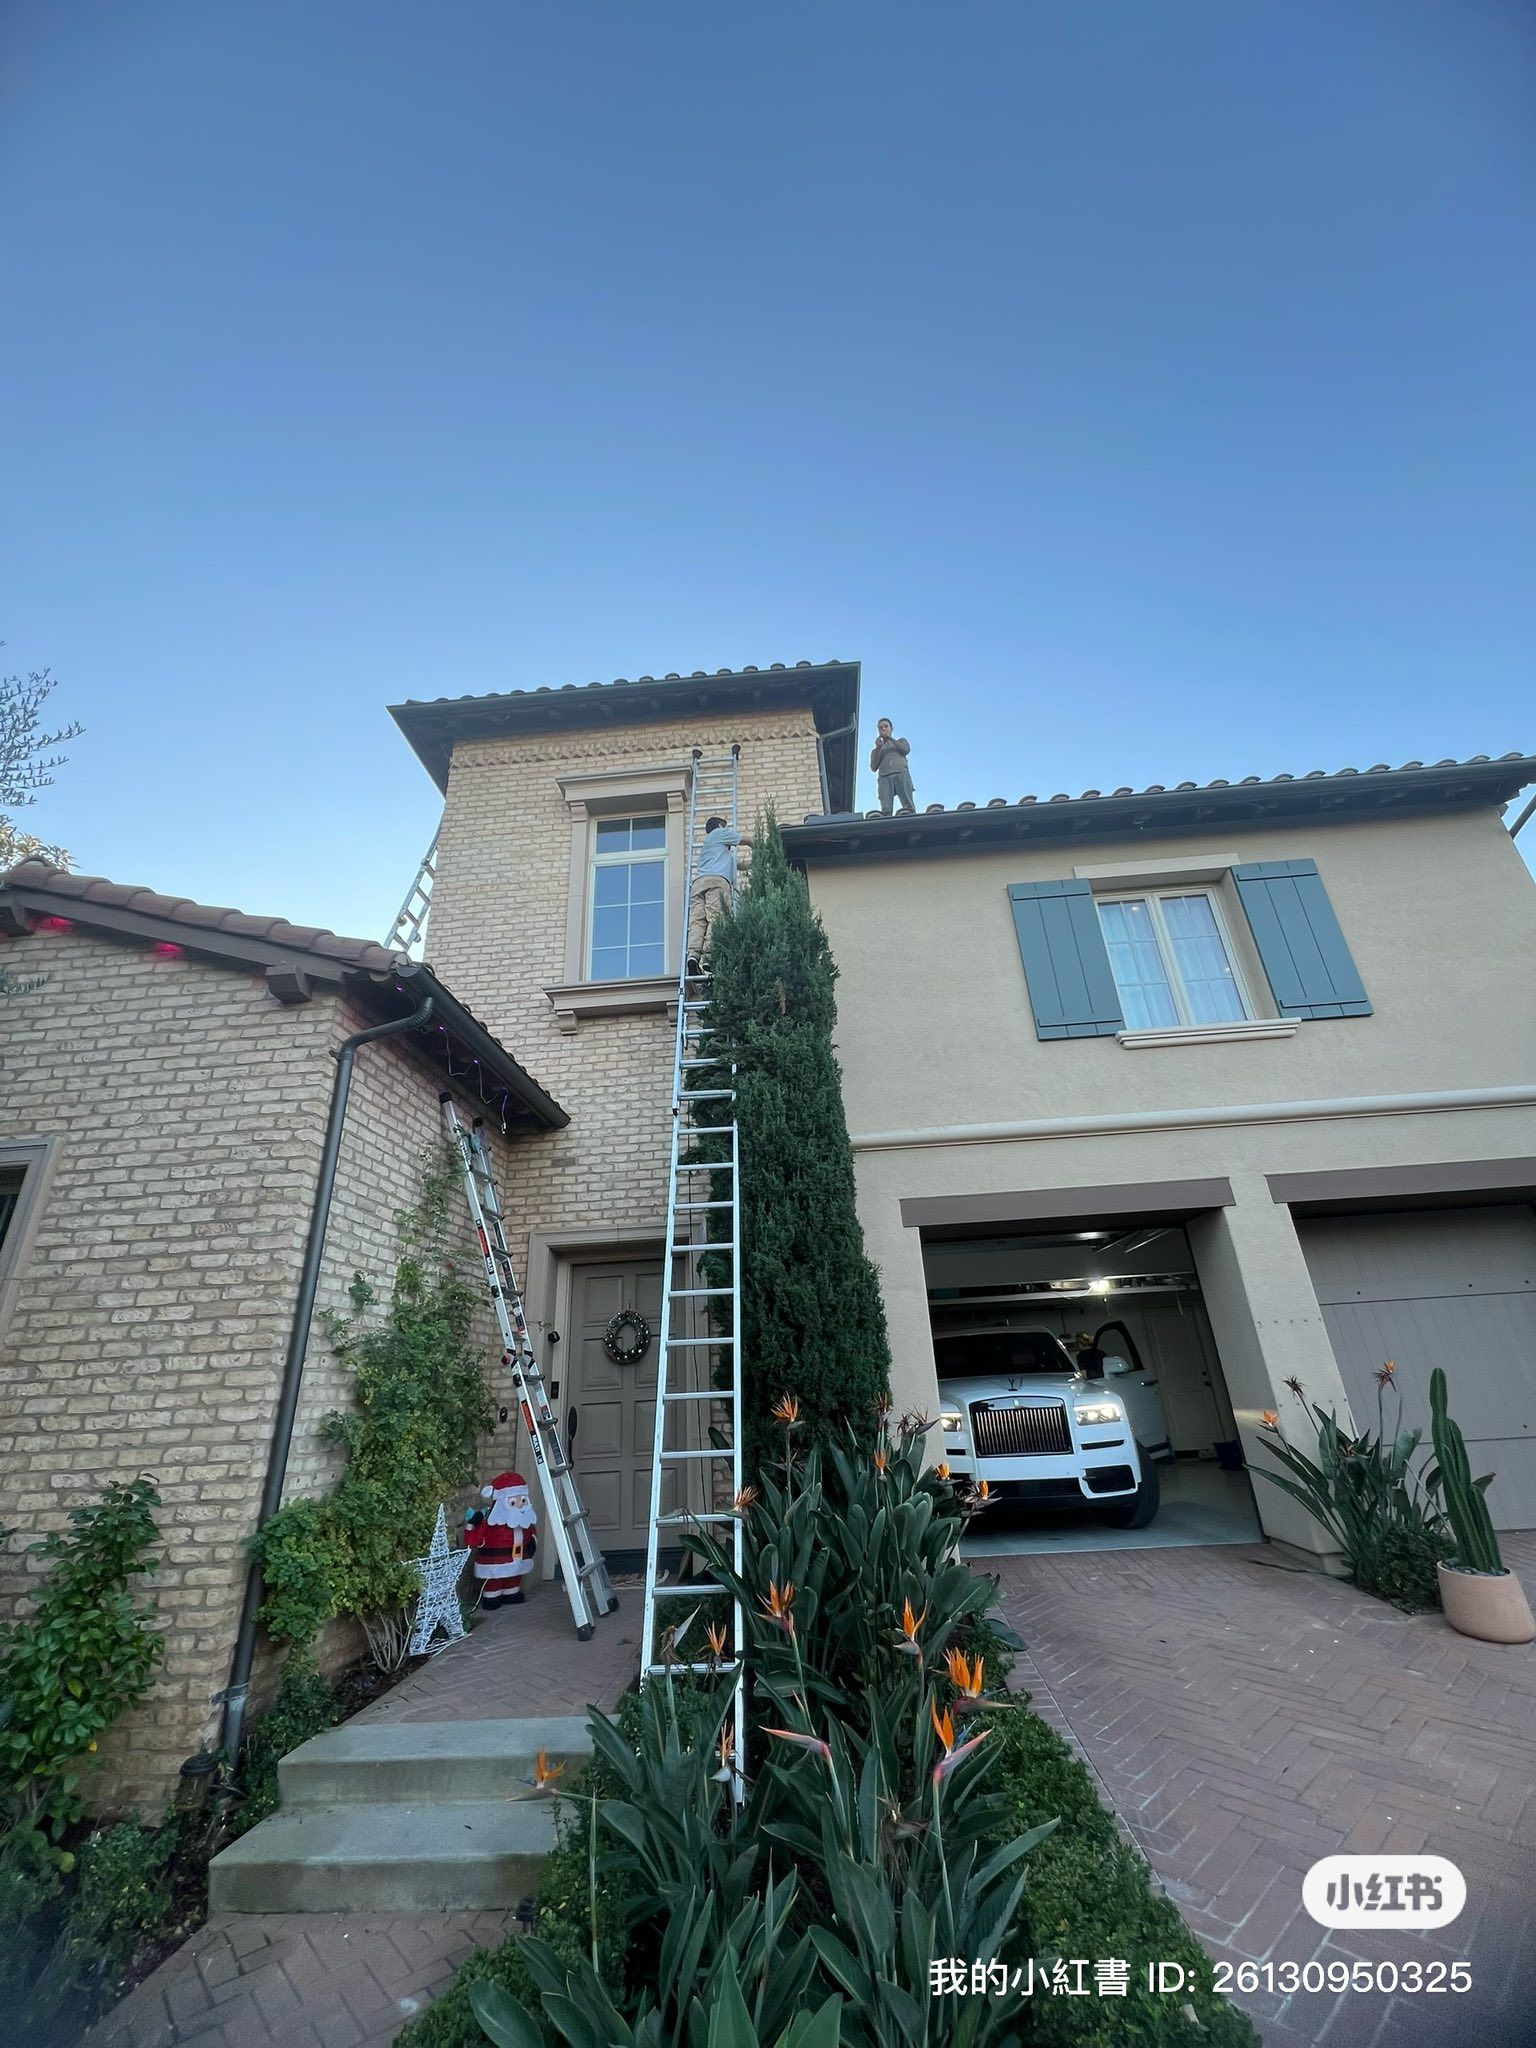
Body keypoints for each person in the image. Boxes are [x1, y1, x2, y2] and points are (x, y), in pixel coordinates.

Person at [686, 813, 741, 974]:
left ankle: (693, 956)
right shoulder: (718, 833)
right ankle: (710, 956)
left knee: (698, 921)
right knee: (717, 918)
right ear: (719, 826)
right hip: (716, 882)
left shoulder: (713, 850)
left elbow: (740, 865)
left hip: (698, 884)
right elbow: (747, 840)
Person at [869, 718, 915, 815]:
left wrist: (889, 738)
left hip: (901, 773)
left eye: (886, 726)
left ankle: (911, 820)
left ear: (891, 729)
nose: (883, 729)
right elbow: (873, 767)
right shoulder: (876, 750)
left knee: (908, 805)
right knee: (886, 809)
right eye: (881, 727)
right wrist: (878, 748)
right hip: (884, 777)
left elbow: (905, 750)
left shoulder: (901, 741)